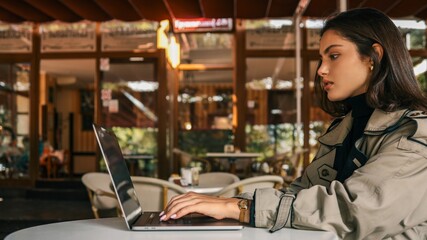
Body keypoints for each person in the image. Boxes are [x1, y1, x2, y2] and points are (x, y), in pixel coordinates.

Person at [160, 8, 427, 239]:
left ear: (372, 57)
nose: (321, 69)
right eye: (321, 59)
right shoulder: (345, 126)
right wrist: (228, 204)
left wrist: (239, 209)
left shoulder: (416, 133)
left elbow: (355, 209)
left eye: (333, 56)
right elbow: (301, 191)